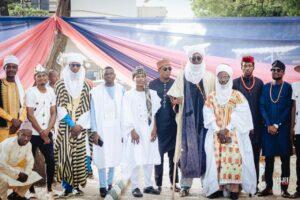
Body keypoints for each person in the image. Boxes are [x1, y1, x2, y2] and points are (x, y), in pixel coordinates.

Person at [202, 64, 256, 200]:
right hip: (216, 134)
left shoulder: (237, 95)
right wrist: (217, 129)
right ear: (217, 78)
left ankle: (234, 188)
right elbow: (208, 114)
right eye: (220, 77)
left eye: (226, 77)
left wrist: (227, 128)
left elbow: (242, 115)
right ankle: (217, 188)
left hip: (233, 135)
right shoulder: (211, 96)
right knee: (215, 160)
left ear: (230, 78)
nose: (223, 79)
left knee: (234, 160)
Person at [167, 45, 215, 196]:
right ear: (189, 59)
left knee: (204, 152)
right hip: (188, 120)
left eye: (198, 58)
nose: (195, 60)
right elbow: (172, 98)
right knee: (186, 152)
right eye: (193, 58)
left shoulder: (209, 77)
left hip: (205, 121)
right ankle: (185, 186)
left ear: (202, 59)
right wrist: (178, 99)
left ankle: (206, 185)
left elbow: (215, 99)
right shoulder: (183, 75)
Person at [54, 52, 91, 197]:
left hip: (80, 128)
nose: (75, 68)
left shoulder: (87, 85)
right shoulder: (60, 84)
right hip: (65, 128)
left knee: (80, 156)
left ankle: (77, 186)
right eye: (72, 65)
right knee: (65, 156)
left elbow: (88, 108)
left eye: (77, 65)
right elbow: (59, 107)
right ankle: (67, 187)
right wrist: (71, 124)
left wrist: (79, 126)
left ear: (81, 67)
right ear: (68, 66)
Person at [121, 66, 161, 198]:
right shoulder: (128, 95)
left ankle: (148, 185)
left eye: (143, 76)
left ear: (146, 78)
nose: (140, 79)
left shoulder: (152, 94)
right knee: (135, 159)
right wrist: (132, 130)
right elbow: (126, 114)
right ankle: (135, 187)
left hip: (149, 129)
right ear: (133, 78)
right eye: (137, 76)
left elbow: (154, 113)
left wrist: (154, 128)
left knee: (149, 158)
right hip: (135, 129)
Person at [258, 60, 293, 198]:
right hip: (268, 129)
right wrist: (268, 124)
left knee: (285, 161)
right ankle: (269, 187)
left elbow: (288, 108)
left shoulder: (288, 87)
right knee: (269, 161)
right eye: (273, 70)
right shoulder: (266, 87)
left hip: (283, 130)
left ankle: (284, 189)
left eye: (279, 70)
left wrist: (277, 124)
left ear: (283, 72)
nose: (276, 72)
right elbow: (262, 106)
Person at [90, 66, 124, 198]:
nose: (109, 76)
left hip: (116, 129)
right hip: (102, 129)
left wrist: (123, 131)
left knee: (113, 156)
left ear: (114, 75)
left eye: (111, 73)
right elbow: (93, 113)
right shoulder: (96, 91)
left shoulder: (121, 89)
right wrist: (94, 131)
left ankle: (110, 184)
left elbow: (124, 111)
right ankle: (102, 186)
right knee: (101, 157)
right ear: (103, 76)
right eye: (106, 74)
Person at [232, 56, 264, 192]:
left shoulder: (260, 83)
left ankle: (254, 185)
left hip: (257, 127)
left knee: (255, 156)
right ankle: (238, 185)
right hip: (240, 128)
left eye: (249, 66)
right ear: (241, 67)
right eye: (244, 66)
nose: (247, 68)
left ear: (253, 67)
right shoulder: (235, 83)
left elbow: (262, 106)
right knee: (239, 155)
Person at [25, 64, 57, 199]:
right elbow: (30, 114)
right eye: (39, 76)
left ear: (47, 78)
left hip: (47, 132)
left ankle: (49, 189)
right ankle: (31, 191)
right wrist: (41, 132)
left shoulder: (51, 91)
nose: (42, 78)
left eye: (44, 75)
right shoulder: (31, 92)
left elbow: (53, 112)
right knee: (30, 162)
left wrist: (48, 130)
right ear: (35, 78)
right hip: (33, 134)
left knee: (50, 160)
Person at [149, 59, 179, 193]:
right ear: (159, 70)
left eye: (170, 69)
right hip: (159, 125)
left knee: (174, 157)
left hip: (173, 125)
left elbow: (181, 102)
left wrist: (178, 102)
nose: (168, 71)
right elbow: (150, 108)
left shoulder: (175, 83)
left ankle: (174, 182)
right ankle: (158, 184)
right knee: (158, 156)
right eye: (165, 69)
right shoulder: (152, 84)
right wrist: (153, 127)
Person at [0, 121, 41, 200]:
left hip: (11, 168)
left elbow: (30, 161)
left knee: (33, 175)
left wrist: (26, 173)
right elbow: (1, 164)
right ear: (18, 133)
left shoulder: (28, 144)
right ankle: (2, 197)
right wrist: (18, 174)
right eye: (23, 135)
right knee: (4, 180)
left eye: (29, 136)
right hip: (1, 169)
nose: (26, 139)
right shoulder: (8, 144)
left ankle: (17, 196)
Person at [0, 55, 26, 143]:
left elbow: (25, 106)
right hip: (2, 128)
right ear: (4, 68)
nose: (11, 69)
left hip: (17, 128)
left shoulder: (20, 87)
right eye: (8, 67)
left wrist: (20, 121)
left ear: (17, 69)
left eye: (14, 67)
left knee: (13, 154)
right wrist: (11, 120)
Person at [290, 64, 300, 199]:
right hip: (299, 129)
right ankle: (299, 189)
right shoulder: (295, 86)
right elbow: (293, 108)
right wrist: (292, 127)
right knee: (299, 161)